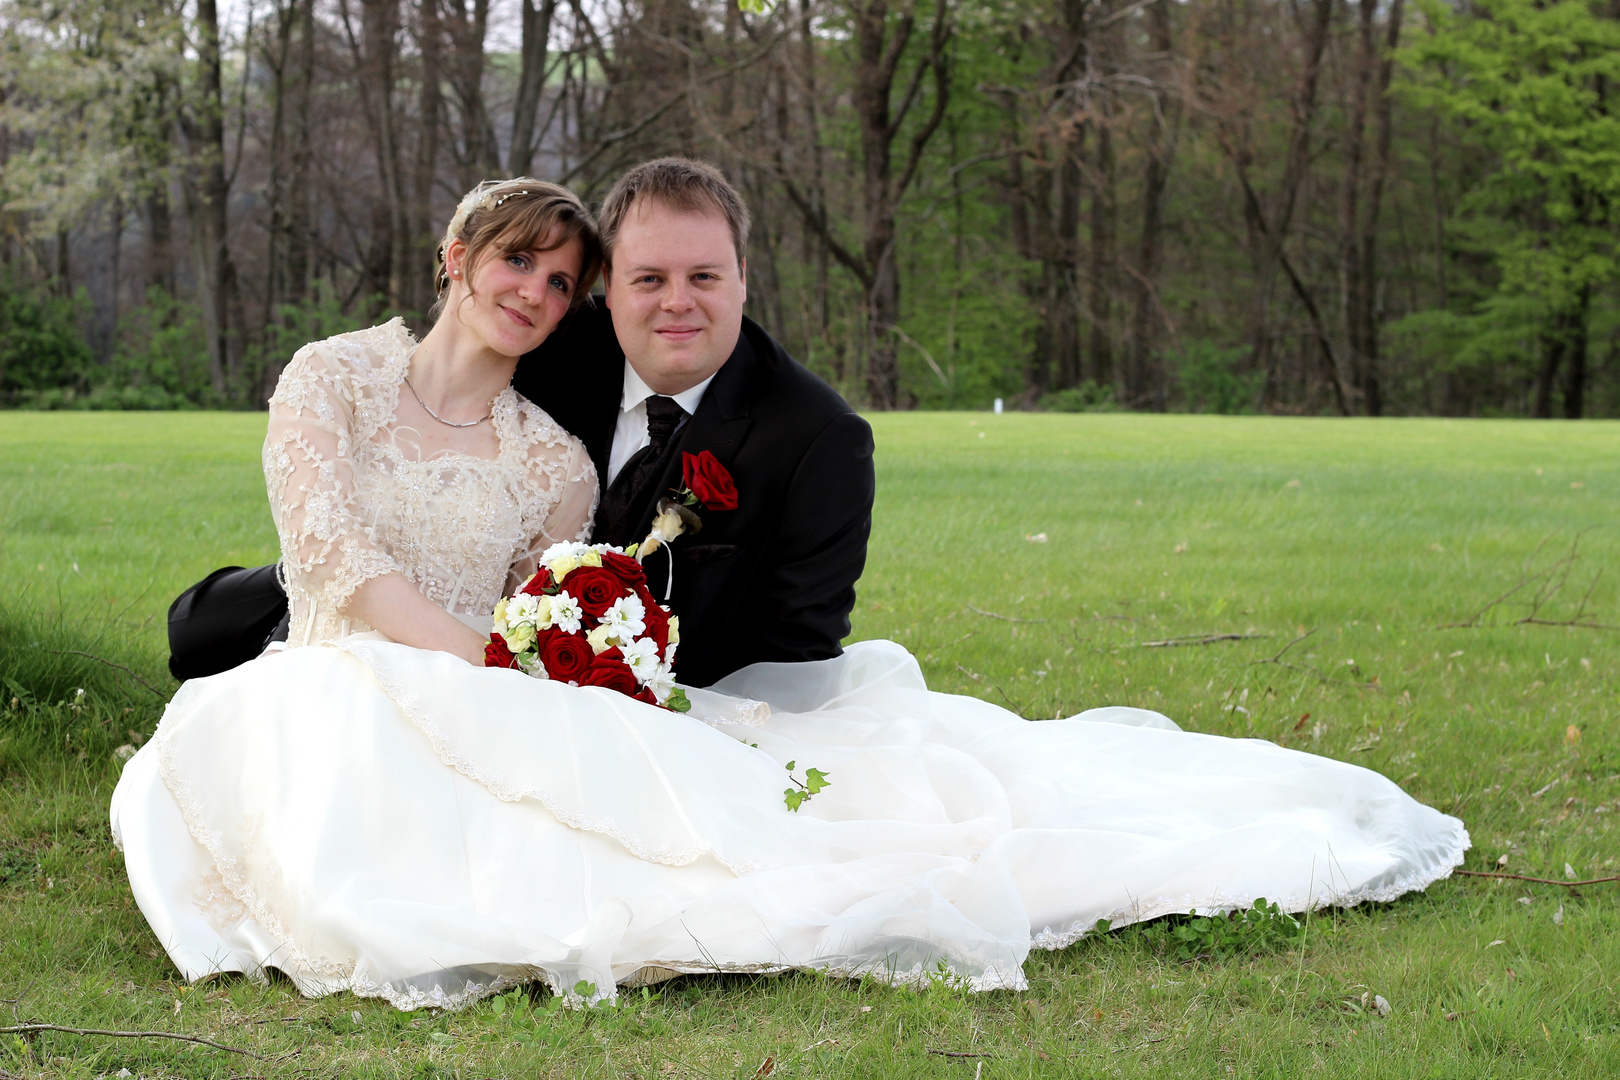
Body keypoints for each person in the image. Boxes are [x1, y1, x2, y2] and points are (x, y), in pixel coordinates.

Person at [112, 171, 1470, 1013]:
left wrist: (597, 667)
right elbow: (336, 554)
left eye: (565, 277)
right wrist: (497, 659)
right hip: (365, 656)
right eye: (592, 275)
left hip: (574, 676)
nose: (548, 293)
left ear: (744, 281)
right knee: (358, 755)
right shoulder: (362, 375)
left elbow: (624, 598)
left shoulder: (581, 452)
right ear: (454, 261)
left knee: (656, 815)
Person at [163, 159, 874, 690]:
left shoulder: (817, 441)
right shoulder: (544, 338)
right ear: (613, 290)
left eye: (706, 277)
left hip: (630, 697)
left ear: (743, 275)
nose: (676, 304)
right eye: (649, 279)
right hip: (355, 648)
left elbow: (795, 661)